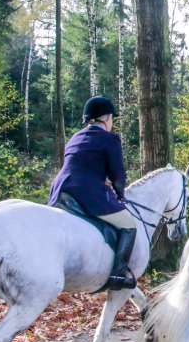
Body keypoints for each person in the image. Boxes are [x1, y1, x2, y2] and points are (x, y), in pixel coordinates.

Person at [48, 96, 137, 290]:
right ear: (106, 119)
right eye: (112, 118)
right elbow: (117, 174)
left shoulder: (76, 137)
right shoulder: (110, 138)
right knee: (129, 224)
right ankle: (118, 275)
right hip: (86, 192)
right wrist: (120, 194)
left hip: (60, 189)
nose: (112, 122)